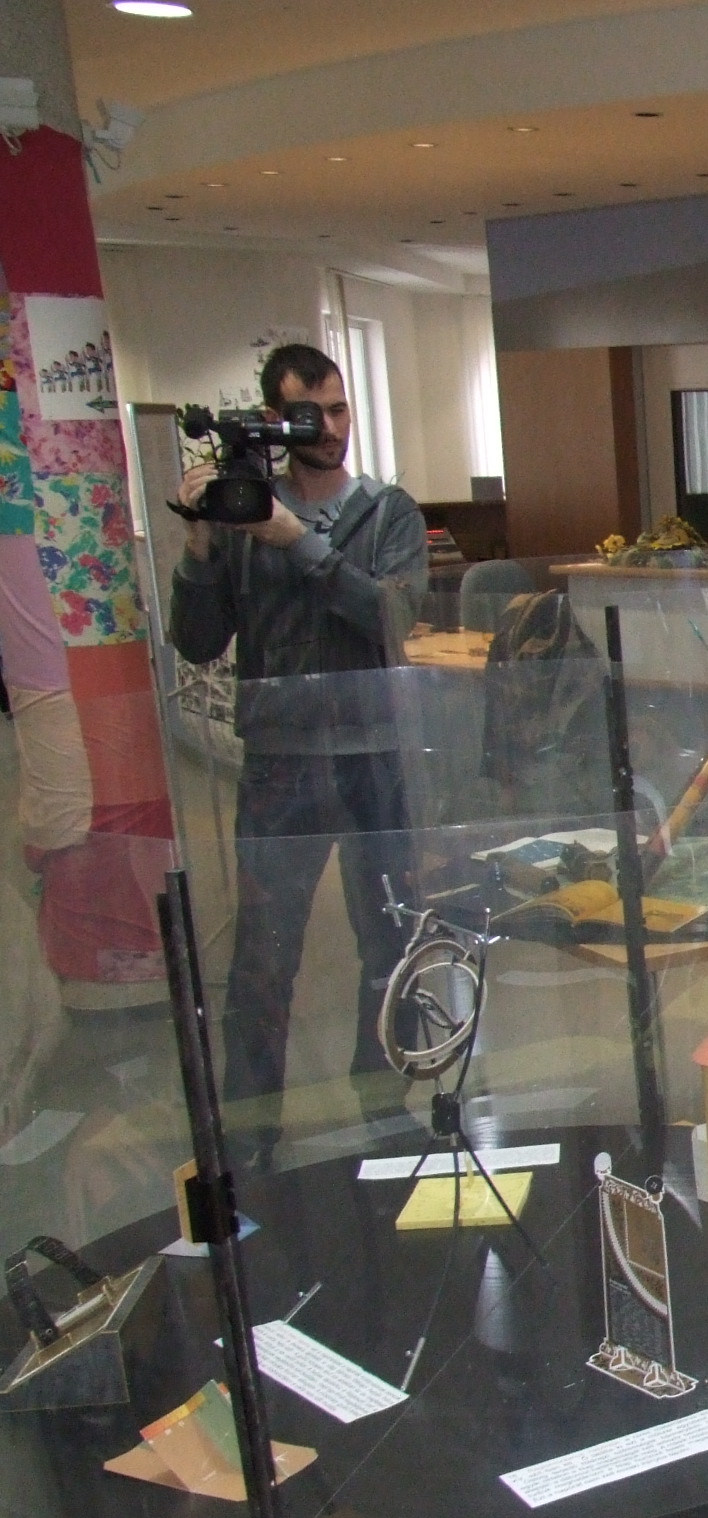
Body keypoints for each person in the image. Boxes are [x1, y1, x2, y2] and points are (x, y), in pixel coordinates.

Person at [170, 342, 428, 1143]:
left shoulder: (387, 513)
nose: (331, 428)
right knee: (263, 957)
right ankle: (251, 1133)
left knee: (388, 940)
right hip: (280, 762)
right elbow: (197, 641)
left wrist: (297, 541)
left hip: (373, 758)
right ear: (275, 419)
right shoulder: (243, 516)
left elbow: (391, 617)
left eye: (341, 409)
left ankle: (384, 1108)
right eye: (312, 414)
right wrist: (202, 543)